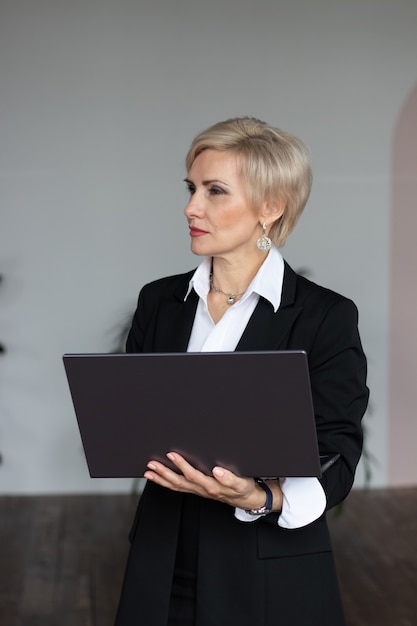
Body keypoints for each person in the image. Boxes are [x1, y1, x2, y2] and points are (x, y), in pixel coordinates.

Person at [114, 117, 369, 626]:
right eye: (191, 189)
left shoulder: (325, 317)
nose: (191, 207)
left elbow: (337, 453)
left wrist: (262, 496)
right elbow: (131, 421)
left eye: (214, 191)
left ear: (270, 207)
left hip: (266, 569)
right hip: (161, 558)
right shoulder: (159, 302)